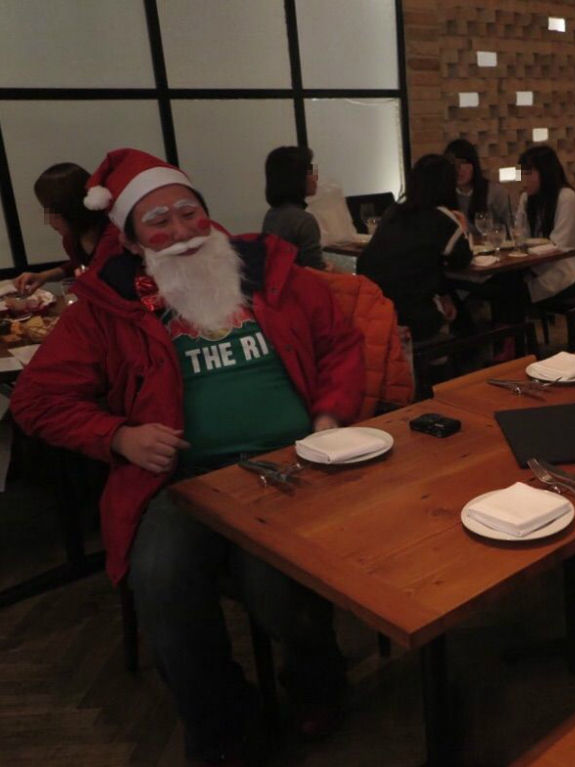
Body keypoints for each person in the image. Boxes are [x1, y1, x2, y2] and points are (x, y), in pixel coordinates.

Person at [11, 148, 365, 765]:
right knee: (161, 581)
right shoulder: (108, 305)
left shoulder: (270, 271)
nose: (180, 232)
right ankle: (225, 722)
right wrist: (118, 436)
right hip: (182, 480)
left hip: (293, 462)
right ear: (130, 239)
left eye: (188, 213)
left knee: (278, 587)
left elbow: (339, 345)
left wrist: (329, 416)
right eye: (158, 222)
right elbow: (36, 401)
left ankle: (317, 680)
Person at [357, 153, 472, 342]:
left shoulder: (393, 211)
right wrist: (463, 228)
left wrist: (443, 294)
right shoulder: (442, 218)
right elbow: (461, 260)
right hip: (411, 313)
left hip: (374, 308)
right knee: (462, 318)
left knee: (448, 297)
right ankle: (456, 354)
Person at [13, 162, 120, 294]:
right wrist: (43, 276)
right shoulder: (71, 239)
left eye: (50, 210)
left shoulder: (114, 237)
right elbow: (77, 265)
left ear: (70, 209)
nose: (47, 218)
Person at [515, 145, 575, 303]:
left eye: (528, 173)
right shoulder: (526, 198)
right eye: (522, 173)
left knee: (513, 294)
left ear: (545, 172)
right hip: (538, 264)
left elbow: (559, 246)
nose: (524, 179)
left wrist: (528, 249)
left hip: (568, 266)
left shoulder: (566, 197)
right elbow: (520, 235)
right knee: (504, 284)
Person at [261, 145, 327, 270]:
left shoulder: (271, 215)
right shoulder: (304, 220)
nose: (315, 177)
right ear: (296, 178)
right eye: (310, 171)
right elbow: (315, 270)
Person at [444, 138, 511, 235]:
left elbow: (511, 227)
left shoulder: (495, 192)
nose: (459, 170)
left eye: (463, 163)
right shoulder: (445, 194)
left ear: (474, 165)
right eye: (453, 164)